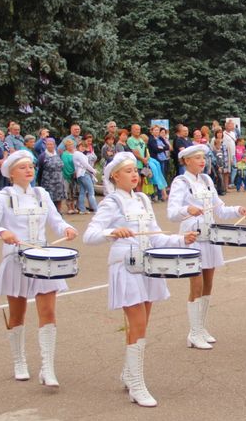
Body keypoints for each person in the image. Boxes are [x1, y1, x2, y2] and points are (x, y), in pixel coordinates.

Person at [83, 152, 197, 407]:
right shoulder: (112, 202)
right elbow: (89, 236)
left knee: (143, 323)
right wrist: (111, 232)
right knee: (137, 323)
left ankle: (128, 372)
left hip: (149, 264)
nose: (134, 175)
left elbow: (154, 236)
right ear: (114, 176)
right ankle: (137, 384)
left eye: (135, 170)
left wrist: (180, 240)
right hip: (125, 265)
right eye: (128, 171)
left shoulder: (144, 200)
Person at [0, 150, 78, 386]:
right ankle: (19, 360)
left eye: (31, 166)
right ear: (11, 173)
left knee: (48, 312)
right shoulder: (3, 197)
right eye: (22, 167)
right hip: (16, 259)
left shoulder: (41, 194)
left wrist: (67, 229)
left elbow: (56, 220)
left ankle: (48, 367)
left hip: (43, 259)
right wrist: (2, 232)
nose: (29, 170)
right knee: (17, 313)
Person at [167, 145, 246, 349]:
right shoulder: (181, 182)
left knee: (208, 283)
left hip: (210, 236)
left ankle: (201, 327)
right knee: (195, 284)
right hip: (192, 237)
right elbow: (171, 212)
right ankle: (193, 333)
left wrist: (238, 210)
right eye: (197, 158)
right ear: (186, 161)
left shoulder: (206, 180)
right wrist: (188, 209)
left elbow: (219, 209)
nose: (202, 161)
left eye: (203, 157)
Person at [73, 139, 98, 214]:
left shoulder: (77, 153)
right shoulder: (79, 154)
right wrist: (94, 171)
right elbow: (86, 165)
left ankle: (82, 209)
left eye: (84, 146)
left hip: (80, 175)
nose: (83, 148)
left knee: (82, 192)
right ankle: (96, 209)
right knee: (91, 192)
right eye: (81, 146)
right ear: (78, 146)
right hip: (84, 174)